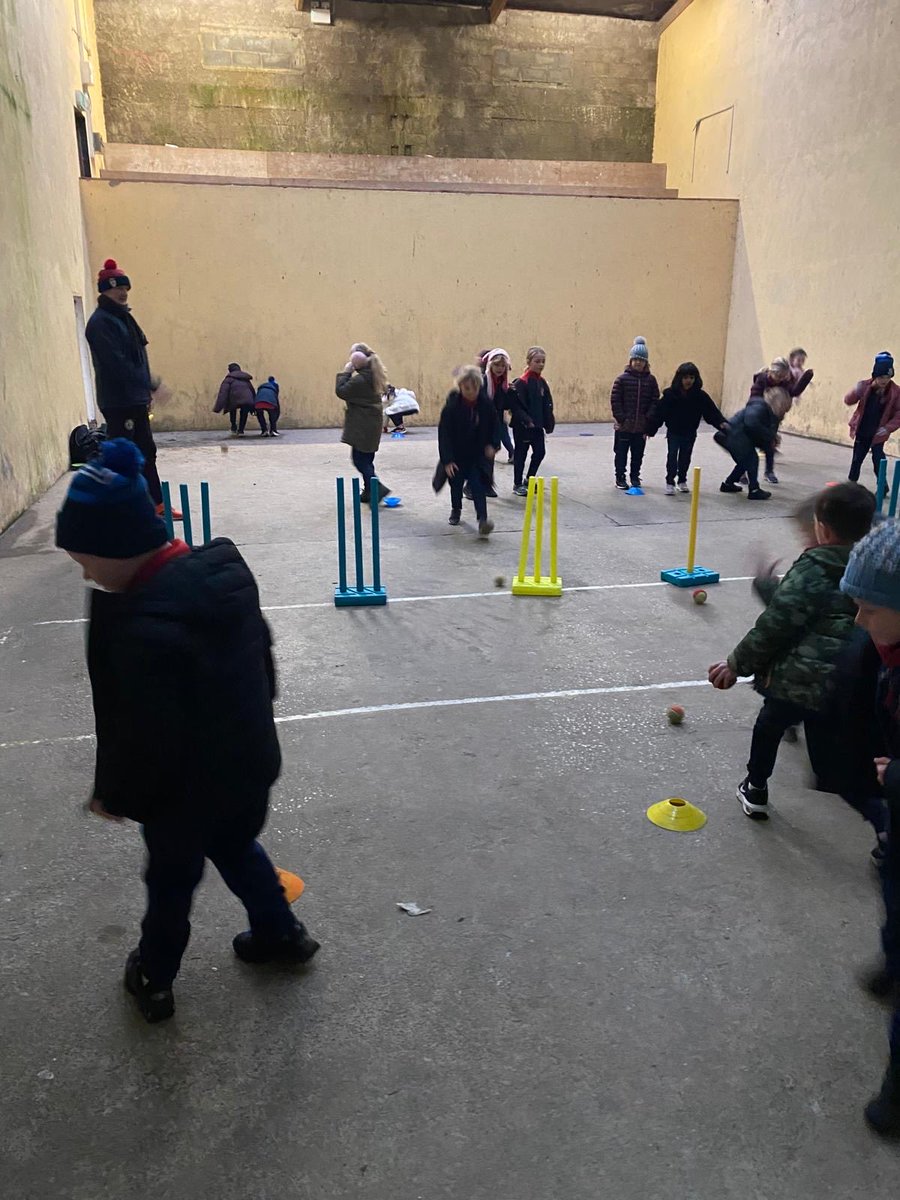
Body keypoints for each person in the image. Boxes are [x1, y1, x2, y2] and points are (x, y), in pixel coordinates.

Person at [54, 438, 320, 1023]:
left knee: (171, 881)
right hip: (248, 765)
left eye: (85, 562)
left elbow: (138, 732)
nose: (87, 575)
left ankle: (153, 975)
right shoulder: (226, 577)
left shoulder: (140, 627)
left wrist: (113, 794)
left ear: (118, 550)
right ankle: (281, 932)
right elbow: (264, 663)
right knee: (236, 846)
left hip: (184, 793)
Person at [708, 483, 878, 834]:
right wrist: (770, 586)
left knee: (769, 726)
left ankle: (755, 788)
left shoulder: (813, 565)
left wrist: (736, 665)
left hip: (798, 680)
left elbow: (779, 621)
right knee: (838, 766)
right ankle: (882, 821)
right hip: (845, 682)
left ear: (823, 529)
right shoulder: (874, 565)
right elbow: (819, 603)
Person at [836, 519, 900, 1135]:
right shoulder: (884, 648)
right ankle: (893, 953)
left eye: (869, 610)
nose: (859, 622)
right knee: (893, 900)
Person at [84, 258, 166, 513]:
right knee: (122, 457)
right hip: (119, 402)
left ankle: (156, 504)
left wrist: (145, 392)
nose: (122, 293)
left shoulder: (125, 319)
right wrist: (150, 384)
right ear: (104, 290)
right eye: (116, 288)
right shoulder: (100, 323)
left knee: (146, 452)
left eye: (124, 288)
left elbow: (138, 358)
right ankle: (121, 508)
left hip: (136, 399)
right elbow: (117, 365)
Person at [646, 362, 727, 495]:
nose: (688, 381)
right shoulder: (670, 395)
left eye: (691, 377)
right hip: (673, 432)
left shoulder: (700, 396)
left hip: (690, 433)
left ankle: (682, 480)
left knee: (685, 457)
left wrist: (722, 424)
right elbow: (659, 413)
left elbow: (712, 413)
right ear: (679, 379)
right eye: (685, 377)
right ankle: (670, 481)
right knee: (672, 456)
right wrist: (650, 430)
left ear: (696, 379)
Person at [436, 365, 497, 538]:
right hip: (456, 455)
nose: (471, 392)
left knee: (478, 486)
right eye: (467, 388)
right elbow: (444, 435)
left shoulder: (486, 405)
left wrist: (492, 444)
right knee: (456, 485)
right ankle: (456, 510)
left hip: (476, 455)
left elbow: (496, 426)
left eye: (475, 388)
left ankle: (483, 520)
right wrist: (447, 460)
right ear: (461, 387)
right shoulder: (452, 407)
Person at [335, 344, 391, 504]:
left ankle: (377, 487)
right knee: (366, 459)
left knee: (359, 459)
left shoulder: (361, 379)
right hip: (371, 423)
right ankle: (369, 491)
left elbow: (341, 391)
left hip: (363, 424)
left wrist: (346, 372)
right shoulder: (372, 374)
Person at [716, 386, 790, 500]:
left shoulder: (769, 415)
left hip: (731, 435)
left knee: (745, 461)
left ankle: (728, 484)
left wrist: (771, 439)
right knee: (751, 459)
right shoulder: (759, 408)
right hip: (733, 434)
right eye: (784, 408)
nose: (785, 413)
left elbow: (765, 439)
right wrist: (770, 436)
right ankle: (754, 490)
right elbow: (751, 422)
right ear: (777, 404)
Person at [749, 355, 813, 484]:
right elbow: (754, 397)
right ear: (771, 372)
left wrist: (806, 378)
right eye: (777, 376)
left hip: (774, 418)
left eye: (782, 376)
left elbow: (793, 391)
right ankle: (742, 472)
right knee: (749, 445)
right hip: (757, 415)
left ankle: (769, 472)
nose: (778, 379)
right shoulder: (762, 380)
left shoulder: (784, 382)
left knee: (769, 445)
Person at [610, 337, 660, 490]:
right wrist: (621, 418)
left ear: (646, 362)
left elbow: (655, 400)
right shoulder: (622, 379)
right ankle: (620, 477)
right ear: (631, 361)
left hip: (641, 427)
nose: (638, 362)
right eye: (635, 359)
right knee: (621, 453)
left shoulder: (651, 381)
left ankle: (634, 476)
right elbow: (615, 400)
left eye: (641, 360)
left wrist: (648, 418)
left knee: (637, 454)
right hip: (624, 426)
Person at [846, 352, 900, 483]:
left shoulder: (895, 392)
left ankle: (883, 486)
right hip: (862, 430)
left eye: (888, 377)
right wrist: (855, 391)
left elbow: (899, 414)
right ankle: (851, 485)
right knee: (857, 460)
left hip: (878, 433)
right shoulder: (864, 386)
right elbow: (848, 400)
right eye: (881, 377)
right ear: (875, 376)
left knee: (878, 461)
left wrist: (888, 428)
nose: (884, 381)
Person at [510, 346, 555, 497]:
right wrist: (527, 420)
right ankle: (517, 484)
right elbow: (515, 407)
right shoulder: (521, 383)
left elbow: (547, 404)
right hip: (523, 427)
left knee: (540, 452)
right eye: (537, 361)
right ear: (529, 362)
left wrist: (548, 422)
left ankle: (529, 479)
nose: (541, 364)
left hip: (537, 427)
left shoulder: (542, 382)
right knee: (520, 455)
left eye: (543, 361)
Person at [483, 349, 515, 464]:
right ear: (491, 365)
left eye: (503, 366)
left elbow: (505, 403)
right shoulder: (484, 381)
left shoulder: (504, 383)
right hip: (486, 416)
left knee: (503, 434)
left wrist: (510, 393)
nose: (500, 368)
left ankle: (512, 453)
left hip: (499, 414)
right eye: (497, 365)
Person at [213, 363, 256, 437]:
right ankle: (241, 430)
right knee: (244, 412)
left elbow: (223, 393)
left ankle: (233, 427)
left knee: (232, 410)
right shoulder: (246, 380)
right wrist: (254, 405)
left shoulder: (228, 379)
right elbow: (252, 391)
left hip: (234, 399)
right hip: (247, 400)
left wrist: (218, 407)